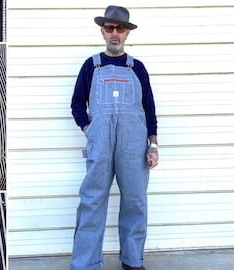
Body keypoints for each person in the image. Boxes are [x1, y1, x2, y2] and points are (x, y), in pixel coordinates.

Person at [70, 5, 158, 270]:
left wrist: (153, 145)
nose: (115, 33)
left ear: (127, 33)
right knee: (92, 202)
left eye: (120, 28)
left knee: (135, 202)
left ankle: (132, 260)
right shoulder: (91, 66)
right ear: (102, 32)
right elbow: (76, 104)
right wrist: (90, 131)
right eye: (110, 28)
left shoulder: (138, 69)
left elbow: (150, 109)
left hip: (134, 146)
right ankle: (86, 264)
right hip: (101, 145)